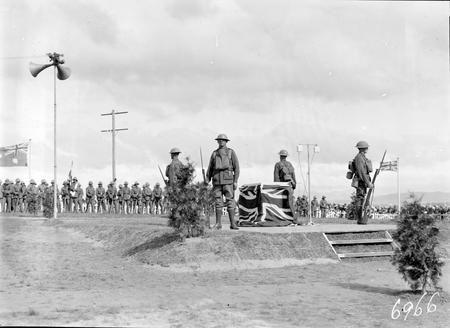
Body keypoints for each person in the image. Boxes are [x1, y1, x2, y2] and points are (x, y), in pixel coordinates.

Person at [206, 133, 240, 230]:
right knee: (218, 201)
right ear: (217, 141)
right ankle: (218, 223)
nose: (221, 141)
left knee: (230, 200)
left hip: (228, 181)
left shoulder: (231, 152)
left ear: (226, 141)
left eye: (223, 140)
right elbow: (210, 168)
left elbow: (236, 167)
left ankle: (232, 223)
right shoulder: (214, 153)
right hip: (217, 181)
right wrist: (207, 179)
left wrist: (235, 180)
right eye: (219, 140)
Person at [273, 150, 298, 223]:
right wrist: (294, 186)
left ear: (280, 156)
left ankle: (281, 219)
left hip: (281, 186)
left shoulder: (278, 164)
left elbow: (276, 177)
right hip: (289, 186)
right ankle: (292, 218)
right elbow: (293, 176)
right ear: (286, 156)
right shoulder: (290, 164)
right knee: (290, 203)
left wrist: (276, 187)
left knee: (280, 203)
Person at [353, 141, 374, 224]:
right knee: (360, 198)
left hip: (363, 181)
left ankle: (362, 218)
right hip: (361, 181)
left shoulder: (363, 157)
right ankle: (360, 218)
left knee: (362, 198)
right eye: (366, 148)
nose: (367, 149)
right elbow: (361, 171)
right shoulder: (359, 157)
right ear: (362, 148)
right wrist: (368, 182)